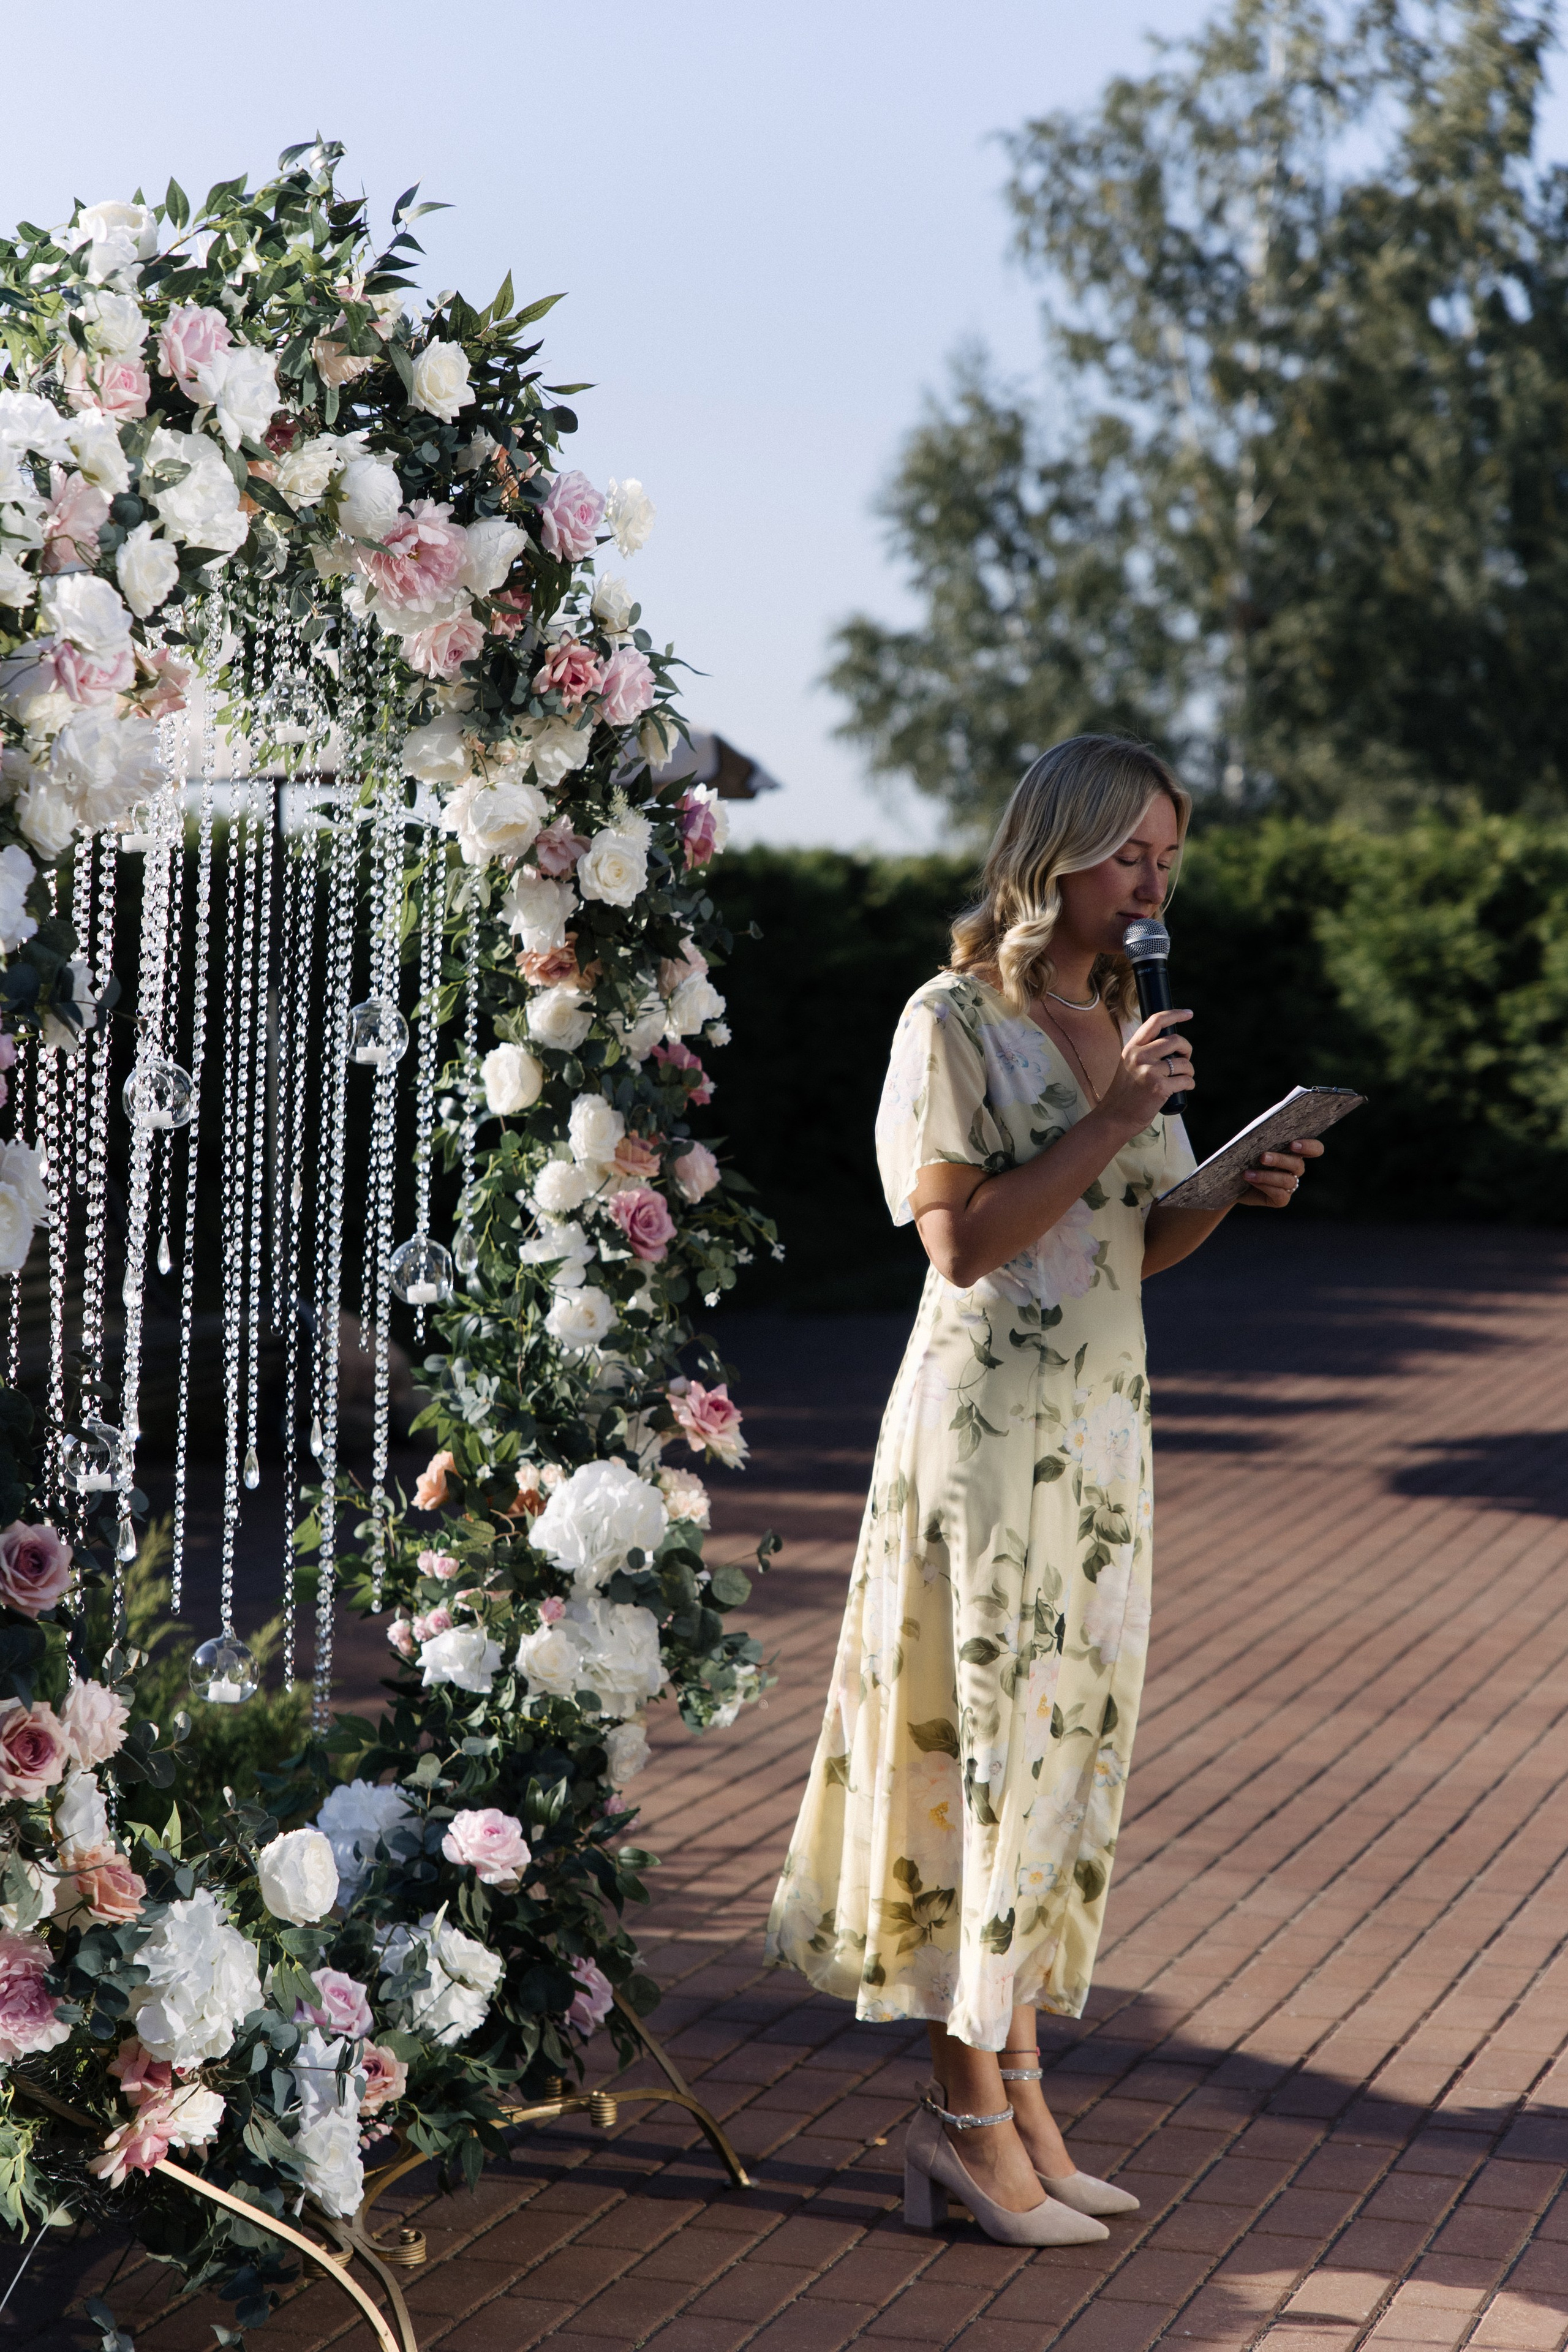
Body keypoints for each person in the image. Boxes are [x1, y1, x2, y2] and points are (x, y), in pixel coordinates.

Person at [764, 736, 1324, 2247]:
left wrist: (1225, 1191)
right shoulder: (949, 1017)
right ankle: (956, 2124)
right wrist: (1109, 1125)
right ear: (1056, 852)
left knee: (1062, 1752)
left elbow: (1129, 1249)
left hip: (1096, 1438)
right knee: (983, 1756)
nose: (1152, 882)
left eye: (1166, 860)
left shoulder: (1121, 1019)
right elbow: (957, 1243)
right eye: (1130, 853)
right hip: (982, 1441)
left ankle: (1017, 2096)